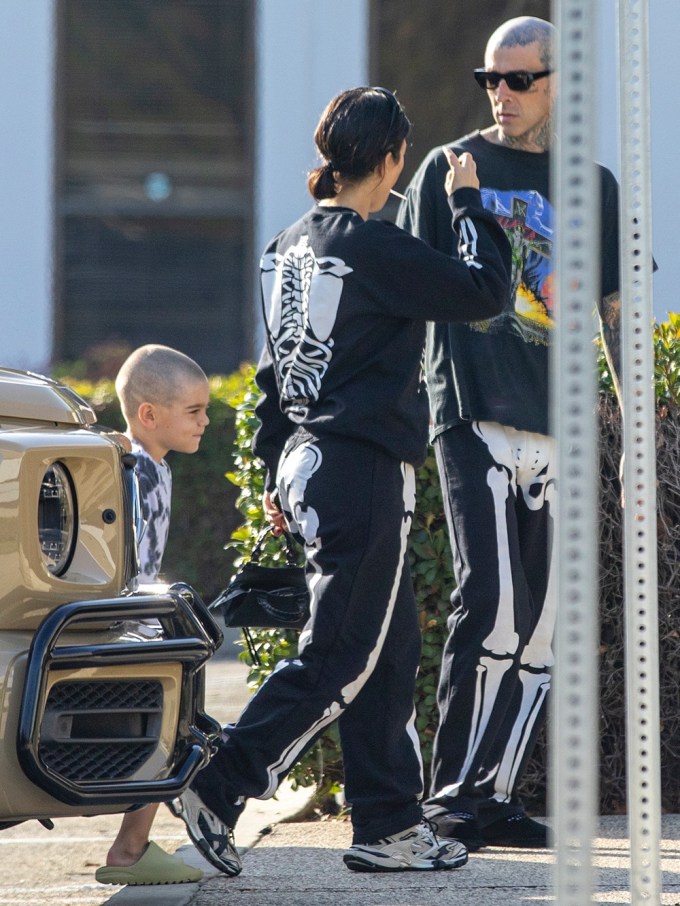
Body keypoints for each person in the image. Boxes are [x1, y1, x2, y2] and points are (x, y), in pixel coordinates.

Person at [168, 85, 511, 876]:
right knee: (341, 657)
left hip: (309, 463)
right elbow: (484, 292)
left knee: (386, 651)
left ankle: (388, 824)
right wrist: (469, 205)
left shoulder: (290, 241)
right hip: (359, 468)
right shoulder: (373, 243)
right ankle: (216, 785)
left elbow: (272, 375)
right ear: (392, 160)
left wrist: (271, 469)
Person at [397, 16, 622, 850]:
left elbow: (611, 315)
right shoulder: (449, 169)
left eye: (518, 79)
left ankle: (488, 795)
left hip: (560, 423)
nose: (501, 94)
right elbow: (408, 286)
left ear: (561, 82)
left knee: (546, 625)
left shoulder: (592, 185)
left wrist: (631, 437)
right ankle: (449, 795)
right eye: (490, 78)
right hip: (474, 411)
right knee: (489, 608)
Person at [95, 344, 211, 886]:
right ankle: (130, 849)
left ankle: (136, 843)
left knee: (178, 723)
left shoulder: (156, 466)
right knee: (170, 722)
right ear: (149, 415)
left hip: (141, 618)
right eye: (194, 412)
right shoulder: (132, 465)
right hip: (130, 625)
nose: (206, 422)